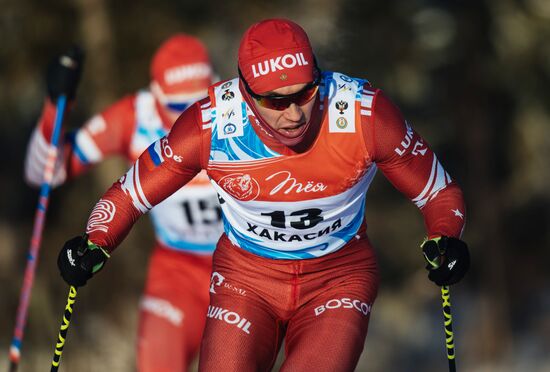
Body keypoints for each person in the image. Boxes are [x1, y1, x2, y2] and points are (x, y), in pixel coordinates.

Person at [56, 19, 470, 371]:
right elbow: (130, 193)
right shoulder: (212, 125)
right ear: (246, 94)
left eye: (305, 93)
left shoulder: (363, 114)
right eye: (275, 101)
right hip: (246, 281)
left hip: (338, 279)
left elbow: (438, 191)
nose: (294, 114)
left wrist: (446, 236)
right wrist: (95, 243)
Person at [25, 34, 223, 371]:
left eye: (198, 104)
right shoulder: (135, 117)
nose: (189, 119)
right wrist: (54, 108)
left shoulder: (236, 108)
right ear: (156, 96)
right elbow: (43, 174)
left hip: (249, 267)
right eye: (177, 109)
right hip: (178, 271)